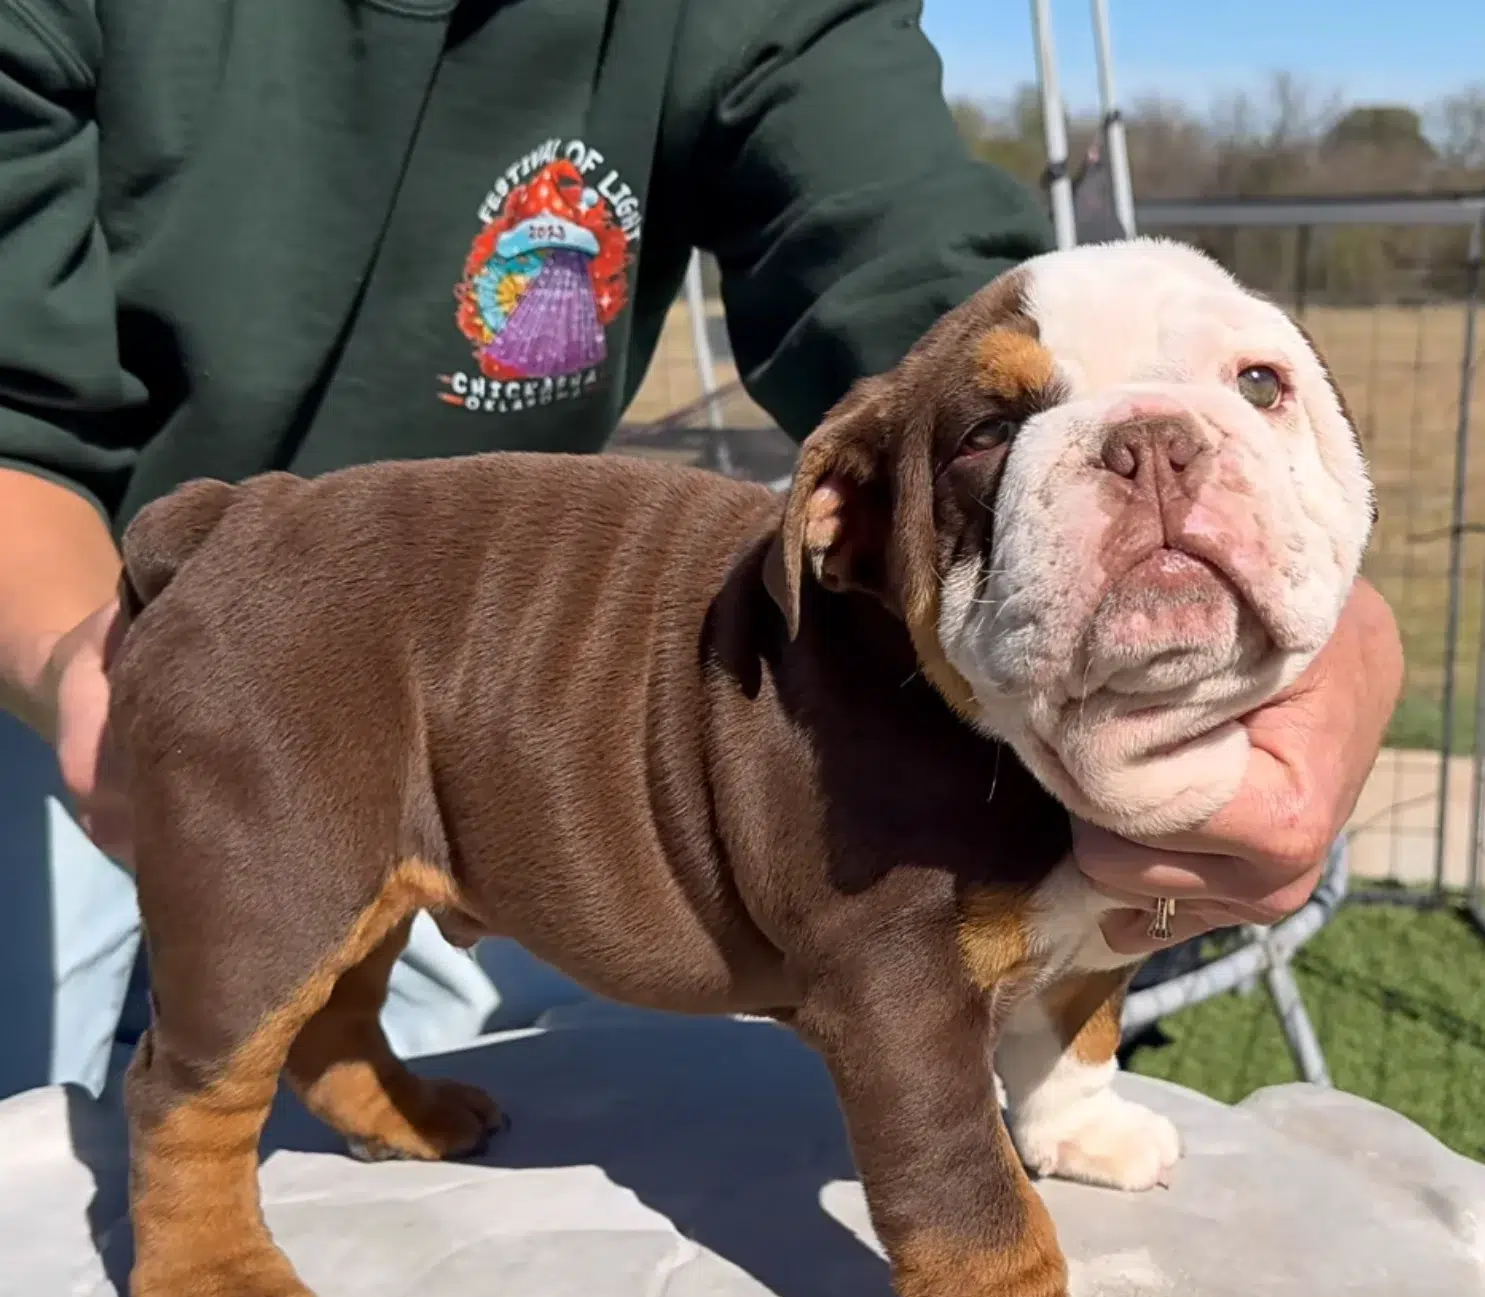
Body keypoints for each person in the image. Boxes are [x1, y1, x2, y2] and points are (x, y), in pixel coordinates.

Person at [0, 0, 1402, 1099]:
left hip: (466, 680)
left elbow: (929, 318)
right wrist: (89, 672)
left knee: (441, 1106)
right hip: (98, 632)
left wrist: (1325, 618)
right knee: (73, 1161)